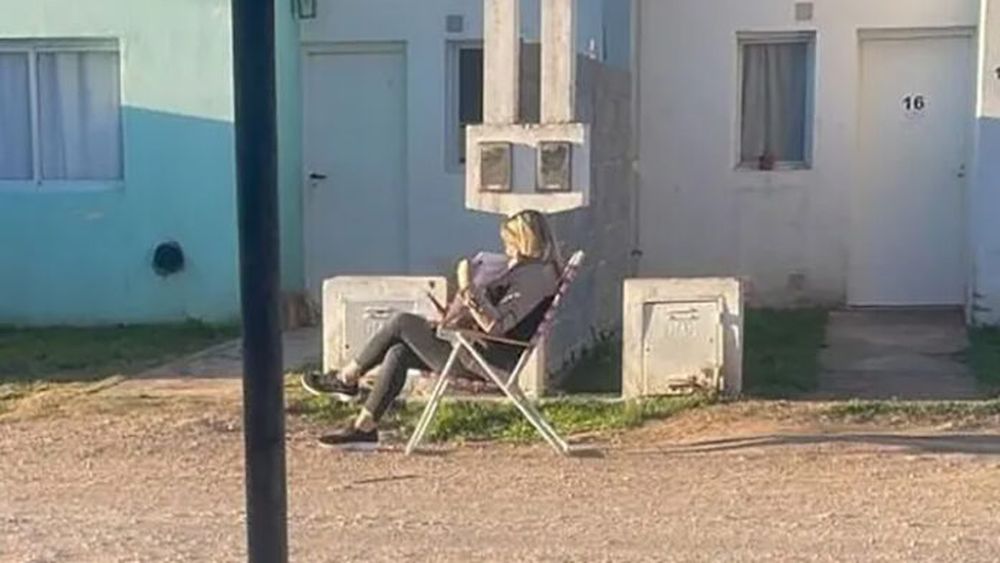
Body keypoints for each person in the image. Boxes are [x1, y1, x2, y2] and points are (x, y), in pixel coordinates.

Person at [302, 210, 563, 449]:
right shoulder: (536, 273)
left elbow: (495, 327)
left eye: (510, 243)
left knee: (403, 322)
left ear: (525, 241)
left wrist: (468, 286)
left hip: (486, 361)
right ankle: (364, 428)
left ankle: (346, 379)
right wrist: (455, 318)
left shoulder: (533, 277)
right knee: (399, 351)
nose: (507, 250)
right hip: (478, 351)